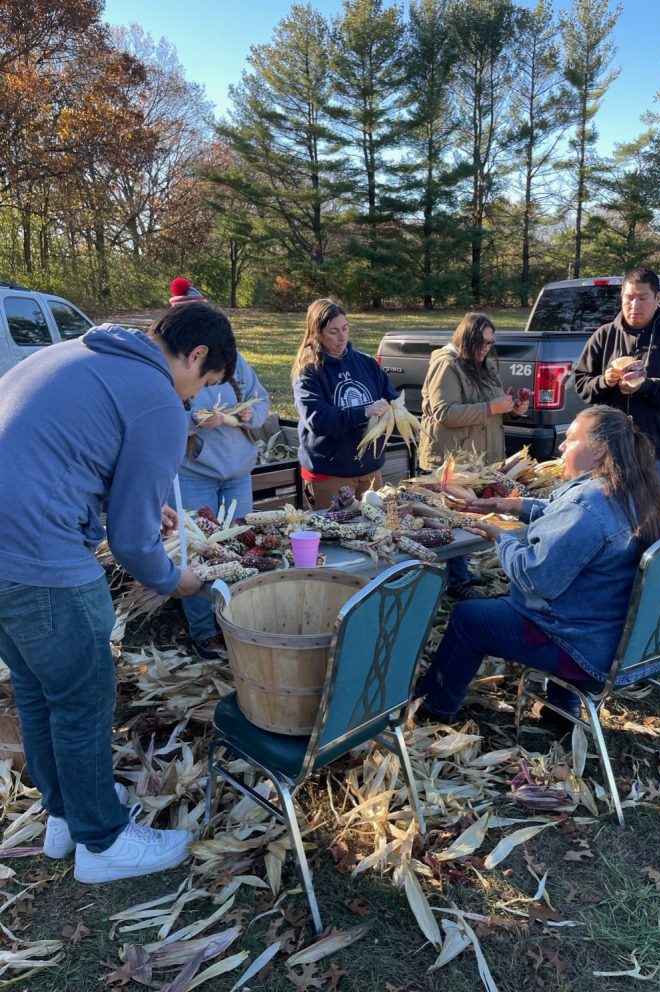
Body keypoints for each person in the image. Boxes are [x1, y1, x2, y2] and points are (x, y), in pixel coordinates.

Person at [0, 301, 237, 883]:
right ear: (198, 354)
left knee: (38, 689)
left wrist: (127, 503)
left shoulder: (73, 353)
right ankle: (102, 843)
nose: (195, 401)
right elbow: (133, 546)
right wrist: (178, 582)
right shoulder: (157, 396)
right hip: (38, 558)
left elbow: (60, 453)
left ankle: (65, 815)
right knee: (83, 699)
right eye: (204, 386)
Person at [417, 406, 660, 725]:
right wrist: (516, 505)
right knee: (564, 596)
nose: (562, 446)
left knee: (470, 618)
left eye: (572, 439)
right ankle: (563, 711)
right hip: (621, 637)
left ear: (599, 450)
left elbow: (535, 578)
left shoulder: (588, 506)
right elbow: (569, 519)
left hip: (583, 646)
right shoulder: (638, 489)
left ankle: (434, 708)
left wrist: (501, 538)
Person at [573, 268, 660, 526]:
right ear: (621, 297)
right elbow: (583, 385)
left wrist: (646, 386)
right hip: (609, 447)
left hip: (656, 446)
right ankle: (620, 564)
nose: (634, 304)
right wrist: (604, 381)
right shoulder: (604, 335)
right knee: (609, 513)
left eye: (642, 298)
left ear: (658, 298)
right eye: (629, 297)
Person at [418, 312, 529, 600]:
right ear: (466, 340)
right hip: (450, 461)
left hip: (476, 459)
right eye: (481, 342)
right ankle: (453, 581)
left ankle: (460, 574)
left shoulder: (485, 363)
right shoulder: (446, 365)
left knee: (468, 517)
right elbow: (444, 412)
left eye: (491, 343)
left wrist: (513, 410)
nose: (486, 348)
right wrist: (491, 407)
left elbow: (492, 406)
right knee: (452, 518)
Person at [177, 350, 270, 659]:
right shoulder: (179, 363)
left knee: (243, 549)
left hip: (237, 470)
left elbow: (261, 402)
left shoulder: (235, 360)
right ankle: (204, 633)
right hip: (195, 471)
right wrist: (196, 420)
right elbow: (167, 418)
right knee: (199, 552)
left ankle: (238, 621)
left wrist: (248, 415)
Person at [292, 298, 398, 508]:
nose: (342, 338)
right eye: (333, 332)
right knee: (337, 536)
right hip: (331, 473)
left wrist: (394, 408)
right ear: (317, 333)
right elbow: (319, 420)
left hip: (369, 469)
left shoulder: (366, 363)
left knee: (376, 533)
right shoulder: (309, 371)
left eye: (345, 328)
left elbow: (389, 396)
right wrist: (364, 412)